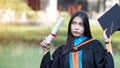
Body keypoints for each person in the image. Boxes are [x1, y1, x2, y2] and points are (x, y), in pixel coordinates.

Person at [40, 11, 114, 68]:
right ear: (70, 25)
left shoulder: (94, 46)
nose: (76, 27)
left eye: (80, 24)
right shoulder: (62, 50)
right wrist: (46, 50)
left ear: (86, 27)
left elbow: (107, 65)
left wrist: (107, 42)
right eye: (74, 23)